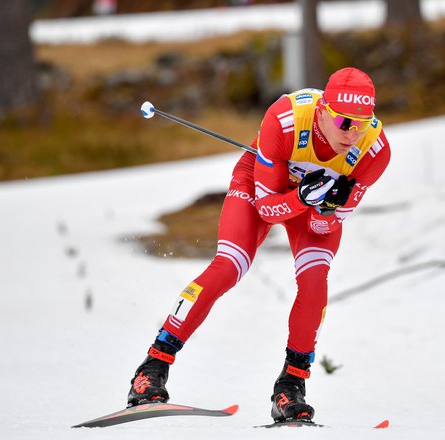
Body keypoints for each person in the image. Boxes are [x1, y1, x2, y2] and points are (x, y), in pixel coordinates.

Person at [128, 67, 391, 422]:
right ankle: (153, 368)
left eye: (362, 123)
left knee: (315, 284)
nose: (353, 133)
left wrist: (326, 206)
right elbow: (268, 210)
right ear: (324, 111)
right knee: (228, 267)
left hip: (309, 202)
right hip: (262, 183)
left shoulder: (374, 150)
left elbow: (321, 226)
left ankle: (290, 387)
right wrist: (301, 195)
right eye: (345, 122)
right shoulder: (284, 119)